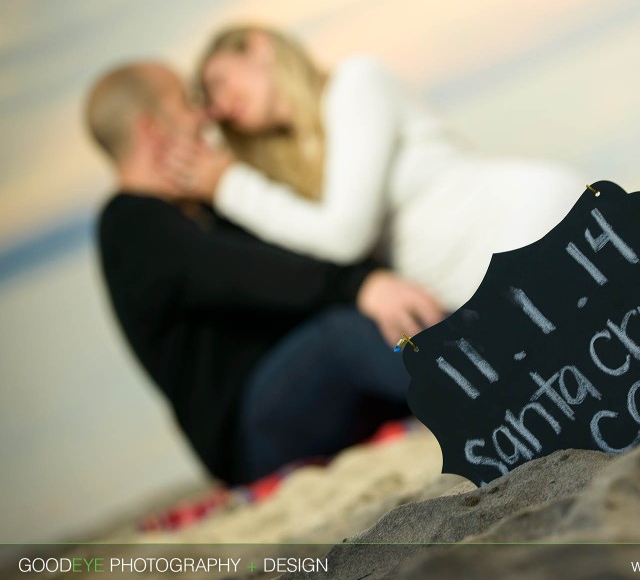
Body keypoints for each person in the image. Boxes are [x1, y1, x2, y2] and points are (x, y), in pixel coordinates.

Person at [168, 25, 640, 313]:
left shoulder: (355, 85)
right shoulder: (302, 165)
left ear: (259, 47)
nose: (223, 105)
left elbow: (341, 236)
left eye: (221, 81)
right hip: (490, 277)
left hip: (525, 221)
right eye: (213, 103)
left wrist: (228, 181)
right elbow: (309, 242)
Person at [84, 62, 444, 485]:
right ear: (151, 130)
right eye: (187, 102)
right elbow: (252, 274)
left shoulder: (197, 209)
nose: (205, 116)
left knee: (377, 320)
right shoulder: (132, 224)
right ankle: (474, 379)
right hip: (250, 436)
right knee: (341, 335)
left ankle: (476, 357)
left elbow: (302, 252)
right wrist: (361, 286)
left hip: (317, 394)